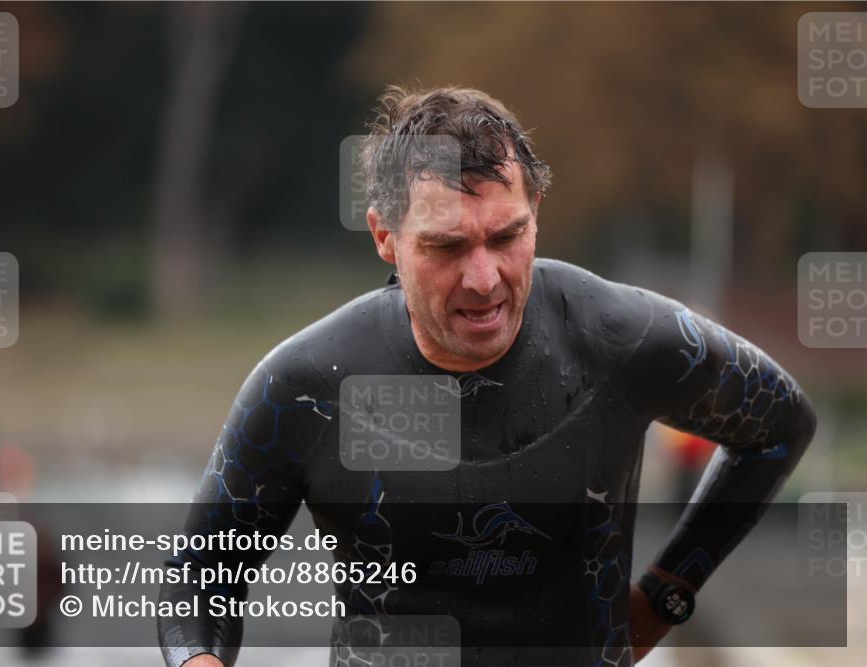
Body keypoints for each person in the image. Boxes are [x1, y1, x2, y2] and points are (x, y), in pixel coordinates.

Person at [158, 86, 816, 667]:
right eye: (446, 246)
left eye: (506, 237)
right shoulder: (306, 385)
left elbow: (781, 425)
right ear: (385, 237)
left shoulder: (618, 337)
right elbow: (196, 577)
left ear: (537, 211)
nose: (484, 278)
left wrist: (666, 592)